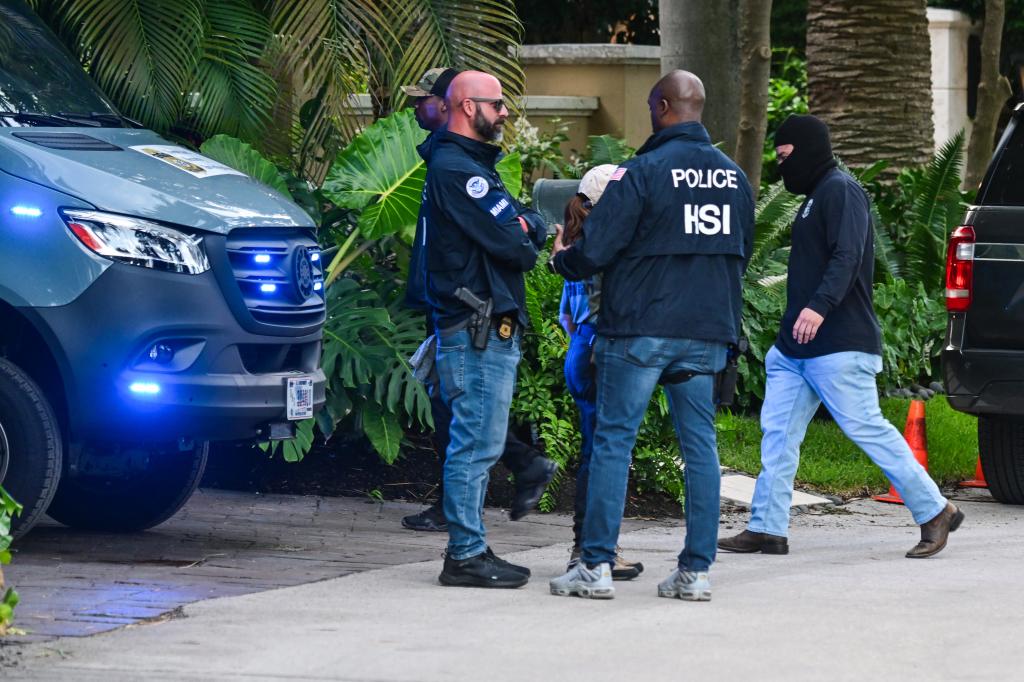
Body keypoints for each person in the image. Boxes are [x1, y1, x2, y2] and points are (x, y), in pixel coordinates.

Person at [547, 70, 754, 601]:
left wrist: (560, 261)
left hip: (639, 330)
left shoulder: (640, 173)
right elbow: (742, 254)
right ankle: (695, 573)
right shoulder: (734, 178)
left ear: (662, 106)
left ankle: (593, 567)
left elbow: (595, 251)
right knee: (701, 448)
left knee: (615, 442)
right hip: (706, 332)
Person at [718, 114, 964, 559]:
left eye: (786, 156)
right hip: (796, 350)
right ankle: (767, 528)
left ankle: (935, 510)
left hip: (839, 343)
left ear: (809, 149)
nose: (781, 165)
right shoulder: (816, 195)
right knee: (777, 436)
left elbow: (849, 255)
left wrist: (818, 306)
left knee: (866, 427)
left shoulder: (841, 190)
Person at [399, 67, 556, 534]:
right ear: (468, 107)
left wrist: (523, 229)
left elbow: (521, 235)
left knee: (474, 436)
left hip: (473, 319)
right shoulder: (457, 168)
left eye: (425, 98)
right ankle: (467, 551)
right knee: (473, 439)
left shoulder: (468, 166)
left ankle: (469, 543)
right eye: (498, 105)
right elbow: (516, 241)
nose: (505, 113)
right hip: (471, 321)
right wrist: (522, 231)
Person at [557, 164, 643, 581]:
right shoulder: (604, 247)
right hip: (599, 353)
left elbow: (566, 318)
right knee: (603, 453)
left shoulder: (575, 245)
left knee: (596, 449)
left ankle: (594, 546)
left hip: (580, 349)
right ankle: (590, 550)